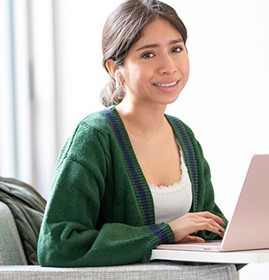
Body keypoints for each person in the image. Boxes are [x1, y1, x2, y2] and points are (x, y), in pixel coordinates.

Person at [37, 0, 228, 267]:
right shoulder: (94, 137)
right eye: (148, 54)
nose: (169, 66)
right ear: (116, 69)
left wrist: (256, 234)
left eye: (176, 49)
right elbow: (58, 245)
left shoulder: (184, 136)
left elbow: (209, 228)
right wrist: (164, 233)